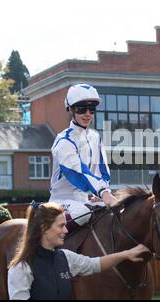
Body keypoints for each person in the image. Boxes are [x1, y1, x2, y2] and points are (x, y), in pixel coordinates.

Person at [8, 201, 149, 300]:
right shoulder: (21, 268)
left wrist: (126, 254)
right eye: (61, 225)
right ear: (44, 228)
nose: (66, 230)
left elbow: (94, 264)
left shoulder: (65, 257)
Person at [49, 83, 117, 230]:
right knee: (82, 213)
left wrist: (102, 192)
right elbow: (78, 172)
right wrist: (103, 192)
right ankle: (52, 248)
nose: (87, 114)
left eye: (91, 109)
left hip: (87, 199)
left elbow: (103, 171)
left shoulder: (95, 137)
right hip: (60, 201)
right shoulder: (63, 140)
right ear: (71, 110)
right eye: (81, 109)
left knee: (117, 213)